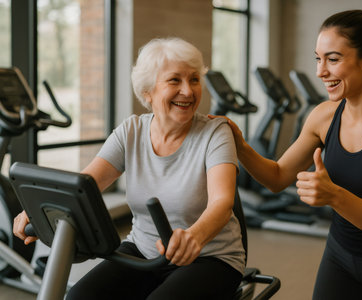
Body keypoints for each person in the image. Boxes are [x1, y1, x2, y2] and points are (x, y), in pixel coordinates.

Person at [211, 9, 362, 300]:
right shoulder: (324, 116)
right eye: (318, 58)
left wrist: (333, 195)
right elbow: (277, 177)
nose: (320, 71)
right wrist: (240, 145)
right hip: (339, 257)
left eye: (333, 59)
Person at [13, 37, 245, 300]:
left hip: (210, 258)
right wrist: (41, 206)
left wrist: (194, 236)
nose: (188, 91)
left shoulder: (216, 132)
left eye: (194, 79)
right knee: (79, 297)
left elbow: (222, 202)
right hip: (143, 250)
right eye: (174, 81)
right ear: (148, 92)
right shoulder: (131, 131)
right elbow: (85, 185)